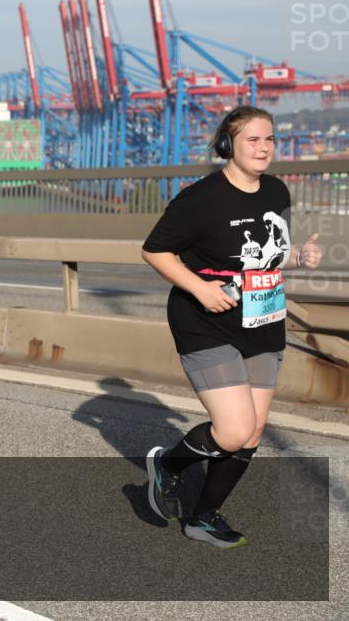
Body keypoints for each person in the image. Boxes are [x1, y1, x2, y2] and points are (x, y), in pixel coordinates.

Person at [141, 106, 323, 547]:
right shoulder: (200, 199)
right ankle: (167, 466)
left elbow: (268, 252)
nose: (264, 148)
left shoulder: (276, 190)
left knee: (253, 432)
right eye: (252, 140)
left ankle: (202, 517)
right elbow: (155, 250)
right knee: (235, 430)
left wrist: (297, 258)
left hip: (262, 320)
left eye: (269, 139)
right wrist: (200, 289)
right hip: (206, 322)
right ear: (228, 145)